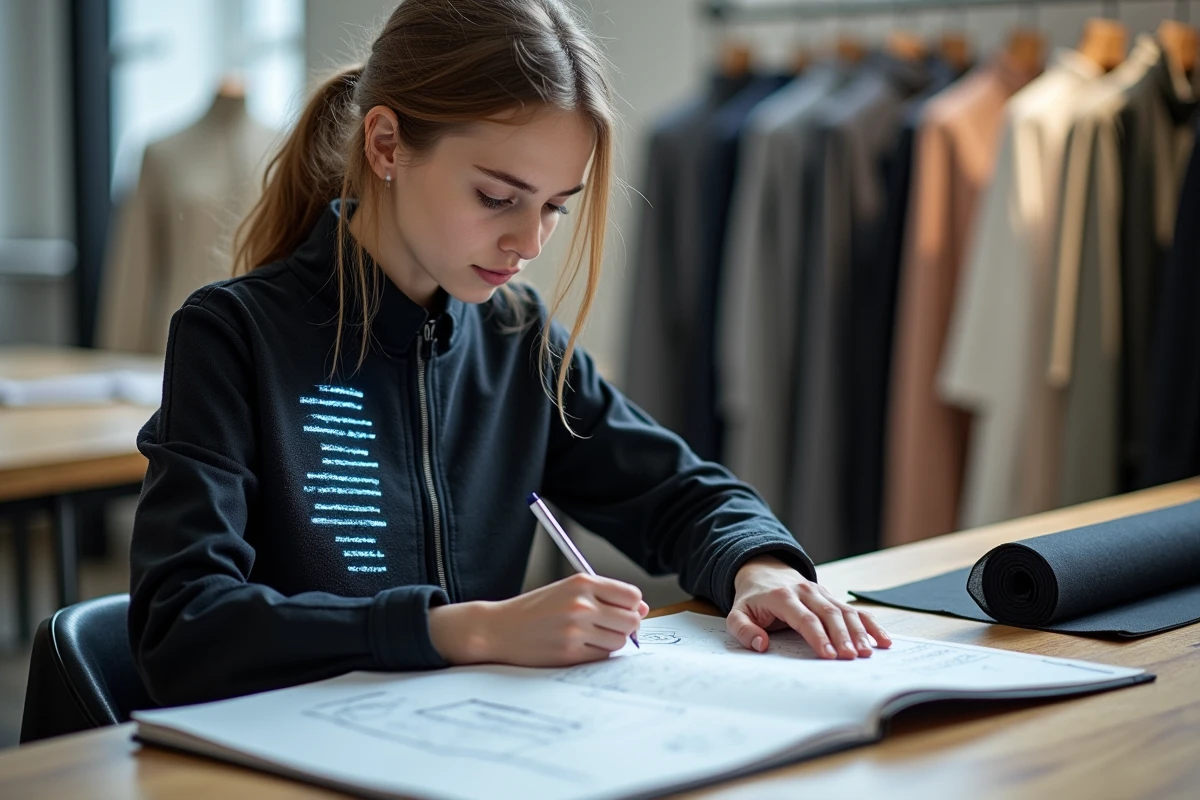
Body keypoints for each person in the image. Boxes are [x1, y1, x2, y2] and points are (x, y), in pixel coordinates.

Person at [127, 0, 890, 708]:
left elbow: (680, 494)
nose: (529, 242)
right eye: (497, 197)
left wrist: (758, 567)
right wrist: (465, 630)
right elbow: (181, 626)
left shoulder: (515, 339)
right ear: (386, 144)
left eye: (555, 207)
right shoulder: (233, 334)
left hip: (471, 745)